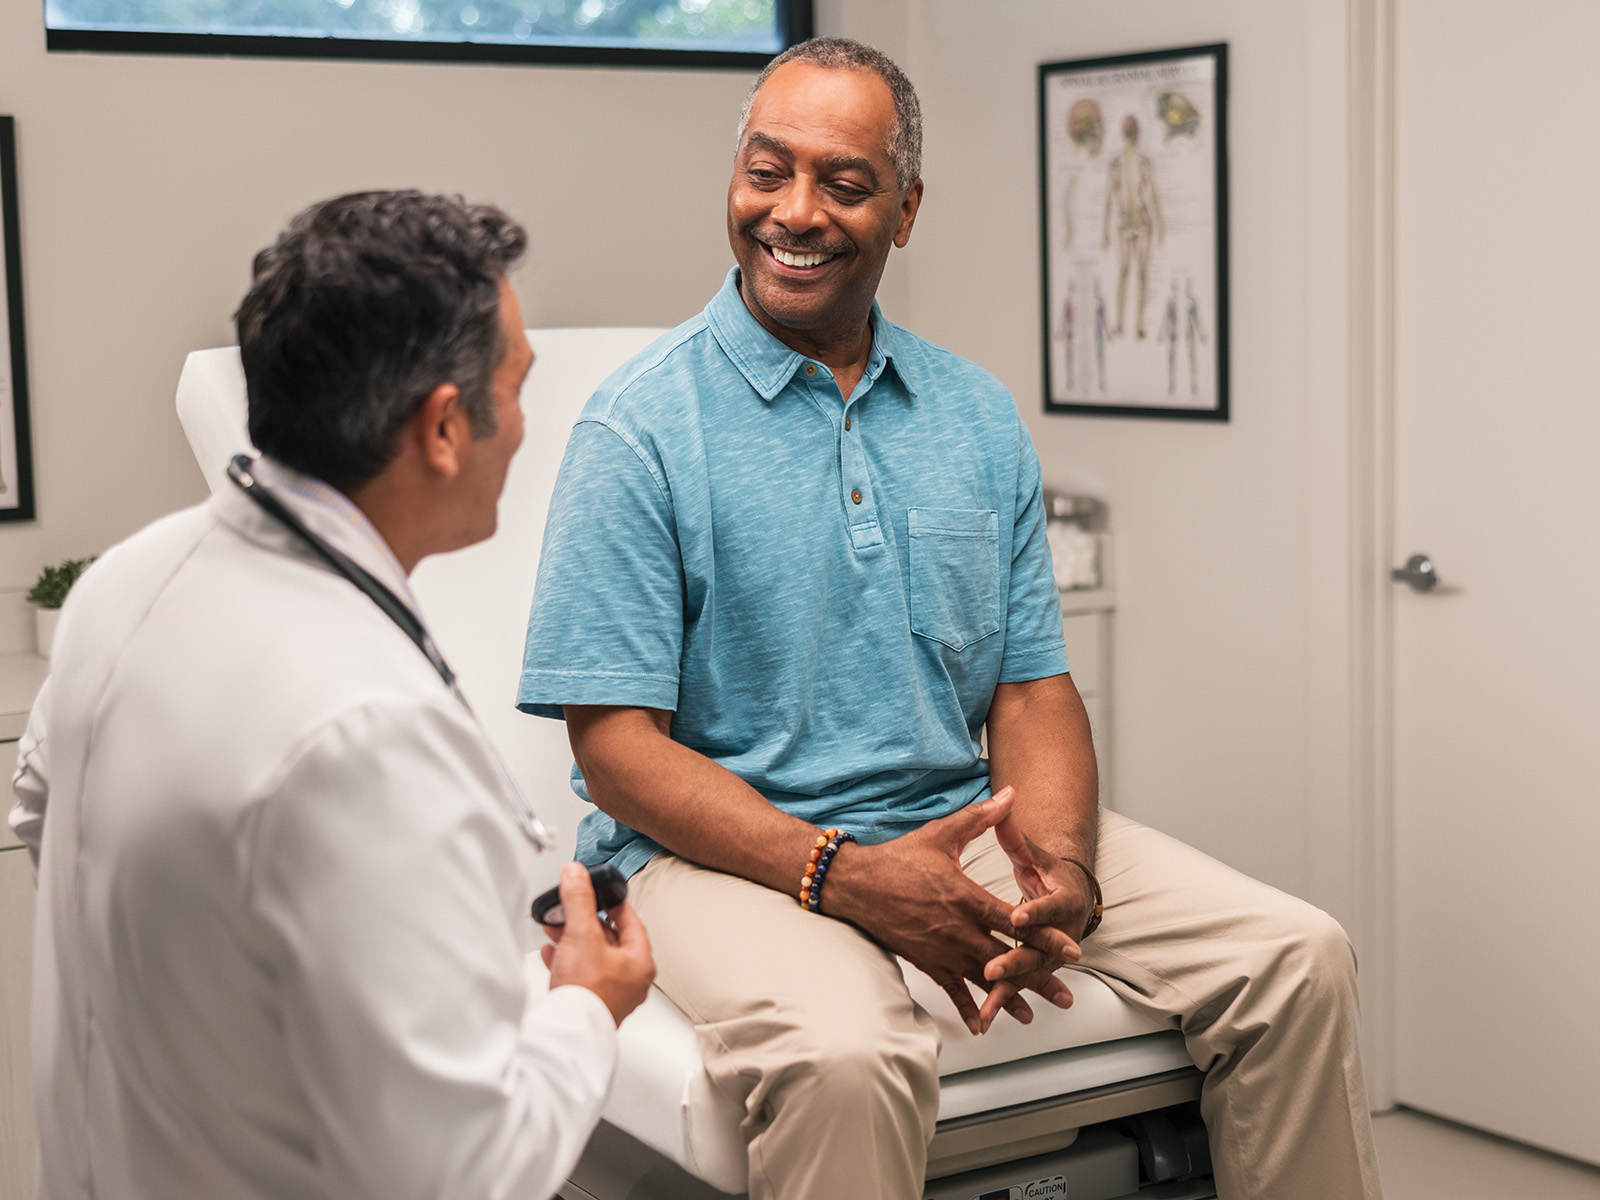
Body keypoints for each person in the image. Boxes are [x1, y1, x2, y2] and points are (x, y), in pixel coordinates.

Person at [518, 38, 1381, 1200]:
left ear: (905, 210)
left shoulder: (971, 414)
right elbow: (613, 748)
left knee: (1295, 958)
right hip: (714, 856)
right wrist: (845, 873)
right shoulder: (639, 430)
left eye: (844, 182)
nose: (794, 212)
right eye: (767, 171)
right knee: (848, 1054)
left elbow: (1030, 687)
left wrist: (1063, 868)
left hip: (953, 814)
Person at [8, 191, 655, 1200]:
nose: (528, 426)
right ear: (444, 426)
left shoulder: (119, 585)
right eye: (519, 387)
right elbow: (461, 1177)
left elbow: (50, 823)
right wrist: (585, 1005)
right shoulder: (370, 731)